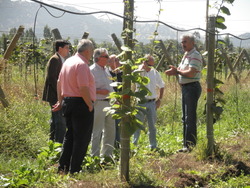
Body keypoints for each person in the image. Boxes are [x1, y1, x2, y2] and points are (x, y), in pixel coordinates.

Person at [52, 39, 95, 174]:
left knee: (70, 135)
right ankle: (75, 169)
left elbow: (59, 83)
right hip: (80, 103)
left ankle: (63, 167)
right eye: (92, 51)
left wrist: (60, 101)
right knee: (81, 138)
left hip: (68, 102)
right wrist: (89, 104)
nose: (92, 54)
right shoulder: (81, 65)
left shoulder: (68, 62)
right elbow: (83, 88)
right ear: (87, 51)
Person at [165, 34, 202, 152]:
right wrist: (175, 72)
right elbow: (183, 71)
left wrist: (177, 71)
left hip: (191, 88)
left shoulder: (195, 55)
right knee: (185, 118)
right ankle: (187, 145)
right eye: (182, 42)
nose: (183, 44)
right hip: (186, 88)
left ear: (192, 43)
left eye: (185, 42)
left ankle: (190, 146)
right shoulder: (186, 55)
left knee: (189, 117)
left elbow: (190, 73)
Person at [133, 54, 165, 150]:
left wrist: (159, 99)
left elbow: (162, 85)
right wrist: (141, 68)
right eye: (149, 65)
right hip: (140, 102)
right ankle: (134, 145)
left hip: (152, 102)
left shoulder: (155, 72)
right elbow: (133, 78)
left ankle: (153, 145)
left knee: (152, 125)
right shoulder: (138, 72)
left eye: (152, 65)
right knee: (138, 124)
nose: (151, 67)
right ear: (144, 62)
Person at [42, 40, 70, 143]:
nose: (68, 50)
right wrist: (60, 93)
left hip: (57, 94)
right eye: (66, 48)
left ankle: (52, 142)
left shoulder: (61, 59)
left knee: (55, 121)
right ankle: (59, 144)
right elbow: (52, 78)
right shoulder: (55, 59)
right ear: (60, 48)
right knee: (61, 122)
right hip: (55, 95)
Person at [90, 48, 115, 158]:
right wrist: (100, 91)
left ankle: (107, 155)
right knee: (97, 131)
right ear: (98, 58)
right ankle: (94, 156)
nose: (108, 59)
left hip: (109, 103)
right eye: (106, 56)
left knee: (110, 130)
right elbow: (85, 89)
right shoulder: (91, 70)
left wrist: (116, 98)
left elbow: (110, 87)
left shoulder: (106, 70)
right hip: (98, 103)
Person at [108, 54, 123, 148]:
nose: (118, 62)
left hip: (121, 102)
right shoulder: (107, 74)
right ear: (109, 63)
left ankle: (118, 145)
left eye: (118, 60)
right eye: (115, 60)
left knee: (119, 125)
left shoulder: (122, 74)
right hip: (110, 102)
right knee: (110, 126)